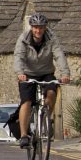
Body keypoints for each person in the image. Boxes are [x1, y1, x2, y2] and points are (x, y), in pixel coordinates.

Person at [14, 13, 70, 149]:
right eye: (35, 27)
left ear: (45, 28)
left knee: (51, 93)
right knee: (26, 102)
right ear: (31, 27)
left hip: (46, 73)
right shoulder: (23, 39)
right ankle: (23, 136)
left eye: (41, 28)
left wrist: (65, 74)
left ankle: (45, 116)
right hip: (27, 74)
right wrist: (20, 73)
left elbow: (59, 56)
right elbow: (18, 57)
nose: (38, 30)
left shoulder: (52, 38)